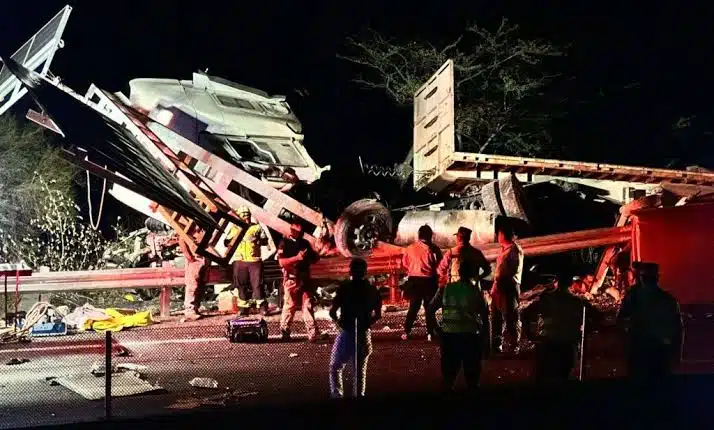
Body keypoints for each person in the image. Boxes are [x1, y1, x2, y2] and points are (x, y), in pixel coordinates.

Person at [617, 262, 683, 386]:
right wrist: (676, 354)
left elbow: (621, 319)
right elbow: (678, 328)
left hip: (641, 349)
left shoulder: (633, 297)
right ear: (657, 278)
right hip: (659, 350)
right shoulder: (667, 300)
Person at [429, 258, 489, 392]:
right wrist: (485, 340)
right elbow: (485, 317)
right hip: (471, 337)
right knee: (472, 380)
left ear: (459, 272)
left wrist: (438, 329)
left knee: (448, 379)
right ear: (474, 274)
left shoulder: (446, 289)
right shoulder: (476, 293)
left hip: (449, 336)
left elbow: (431, 309)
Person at [529, 270, 595, 385]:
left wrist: (530, 334)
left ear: (556, 282)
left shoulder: (545, 299)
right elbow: (596, 316)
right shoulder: (576, 302)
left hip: (548, 342)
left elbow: (526, 313)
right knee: (563, 376)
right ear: (570, 284)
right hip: (567, 343)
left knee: (543, 378)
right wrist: (583, 332)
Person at [328, 258, 382, 398]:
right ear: (365, 271)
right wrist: (366, 323)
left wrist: (339, 323)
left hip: (347, 331)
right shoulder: (372, 290)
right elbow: (378, 314)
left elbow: (332, 312)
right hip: (364, 332)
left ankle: (337, 396)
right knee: (359, 371)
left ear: (350, 271)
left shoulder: (345, 289)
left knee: (336, 366)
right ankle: (359, 399)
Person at [277, 222, 325, 342]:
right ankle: (285, 331)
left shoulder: (305, 243)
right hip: (292, 279)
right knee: (290, 306)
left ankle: (312, 334)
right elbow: (281, 262)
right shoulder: (284, 243)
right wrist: (297, 258)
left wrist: (318, 252)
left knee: (307, 305)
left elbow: (314, 258)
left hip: (304, 278)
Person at [401, 225, 442, 341]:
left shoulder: (409, 248)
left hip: (414, 281)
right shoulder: (434, 249)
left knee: (413, 307)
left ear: (418, 235)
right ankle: (430, 333)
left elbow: (405, 263)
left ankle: (406, 331)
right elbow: (439, 265)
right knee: (429, 308)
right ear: (430, 236)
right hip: (429, 281)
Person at [225, 207, 269, 316]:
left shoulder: (257, 228)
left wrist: (259, 240)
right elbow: (226, 242)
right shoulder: (234, 228)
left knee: (257, 285)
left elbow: (265, 241)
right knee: (241, 285)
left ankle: (262, 307)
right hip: (240, 261)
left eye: (247, 215)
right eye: (243, 215)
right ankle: (244, 309)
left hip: (254, 261)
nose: (246, 218)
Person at [490, 223, 524, 354]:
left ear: (504, 235)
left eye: (499, 234)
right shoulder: (506, 249)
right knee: (496, 317)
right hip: (499, 286)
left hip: (507, 286)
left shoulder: (514, 250)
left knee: (510, 317)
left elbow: (509, 271)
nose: (497, 236)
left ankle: (514, 345)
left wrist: (499, 283)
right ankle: (497, 345)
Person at [179, 236, 207, 321]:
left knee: (201, 285)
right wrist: (190, 257)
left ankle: (195, 308)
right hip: (195, 260)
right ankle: (189, 310)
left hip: (202, 259)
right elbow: (181, 239)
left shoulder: (202, 229)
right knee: (192, 285)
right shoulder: (186, 229)